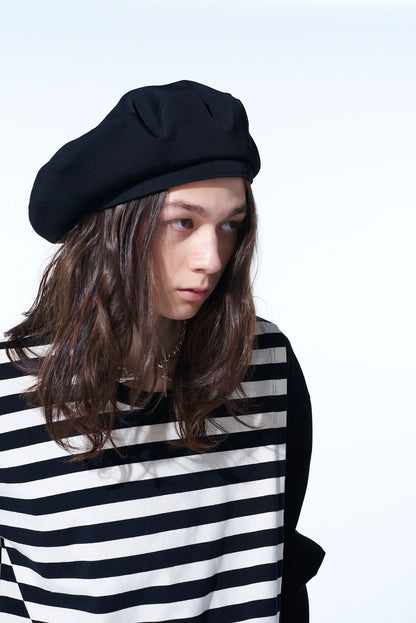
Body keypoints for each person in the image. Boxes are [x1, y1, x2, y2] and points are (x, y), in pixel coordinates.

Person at [0, 80, 324, 623]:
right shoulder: (9, 394)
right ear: (114, 229)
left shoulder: (263, 359)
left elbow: (275, 566)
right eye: (183, 222)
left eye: (230, 225)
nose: (211, 258)